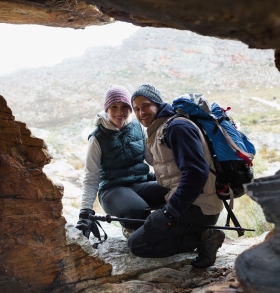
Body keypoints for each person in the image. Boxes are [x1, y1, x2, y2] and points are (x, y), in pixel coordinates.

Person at [129, 84, 225, 268]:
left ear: (157, 104)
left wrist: (168, 212)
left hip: (200, 207)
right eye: (137, 109)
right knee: (135, 194)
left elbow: (196, 173)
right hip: (188, 198)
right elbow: (173, 170)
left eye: (146, 105)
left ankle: (202, 237)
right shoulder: (161, 127)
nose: (142, 112)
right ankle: (178, 230)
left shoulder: (176, 127)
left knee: (138, 244)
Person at [77, 85, 169, 239]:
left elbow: (152, 159)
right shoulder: (97, 138)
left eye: (125, 107)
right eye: (114, 107)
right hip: (113, 189)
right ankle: (132, 228)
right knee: (137, 211)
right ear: (107, 108)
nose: (120, 112)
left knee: (177, 191)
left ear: (131, 109)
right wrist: (85, 212)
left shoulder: (137, 127)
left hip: (141, 182)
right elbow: (91, 177)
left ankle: (165, 230)